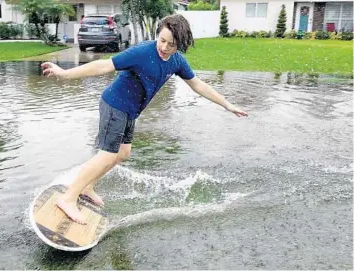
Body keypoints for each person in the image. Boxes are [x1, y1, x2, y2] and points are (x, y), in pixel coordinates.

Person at [41, 14, 248, 224]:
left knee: (122, 153)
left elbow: (198, 85)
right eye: (162, 40)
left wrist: (226, 104)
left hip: (130, 111)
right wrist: (64, 74)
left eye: (172, 44)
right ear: (158, 35)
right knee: (106, 154)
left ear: (180, 45)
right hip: (115, 105)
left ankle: (87, 186)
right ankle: (68, 198)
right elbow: (104, 65)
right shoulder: (142, 52)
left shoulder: (176, 61)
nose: (165, 47)